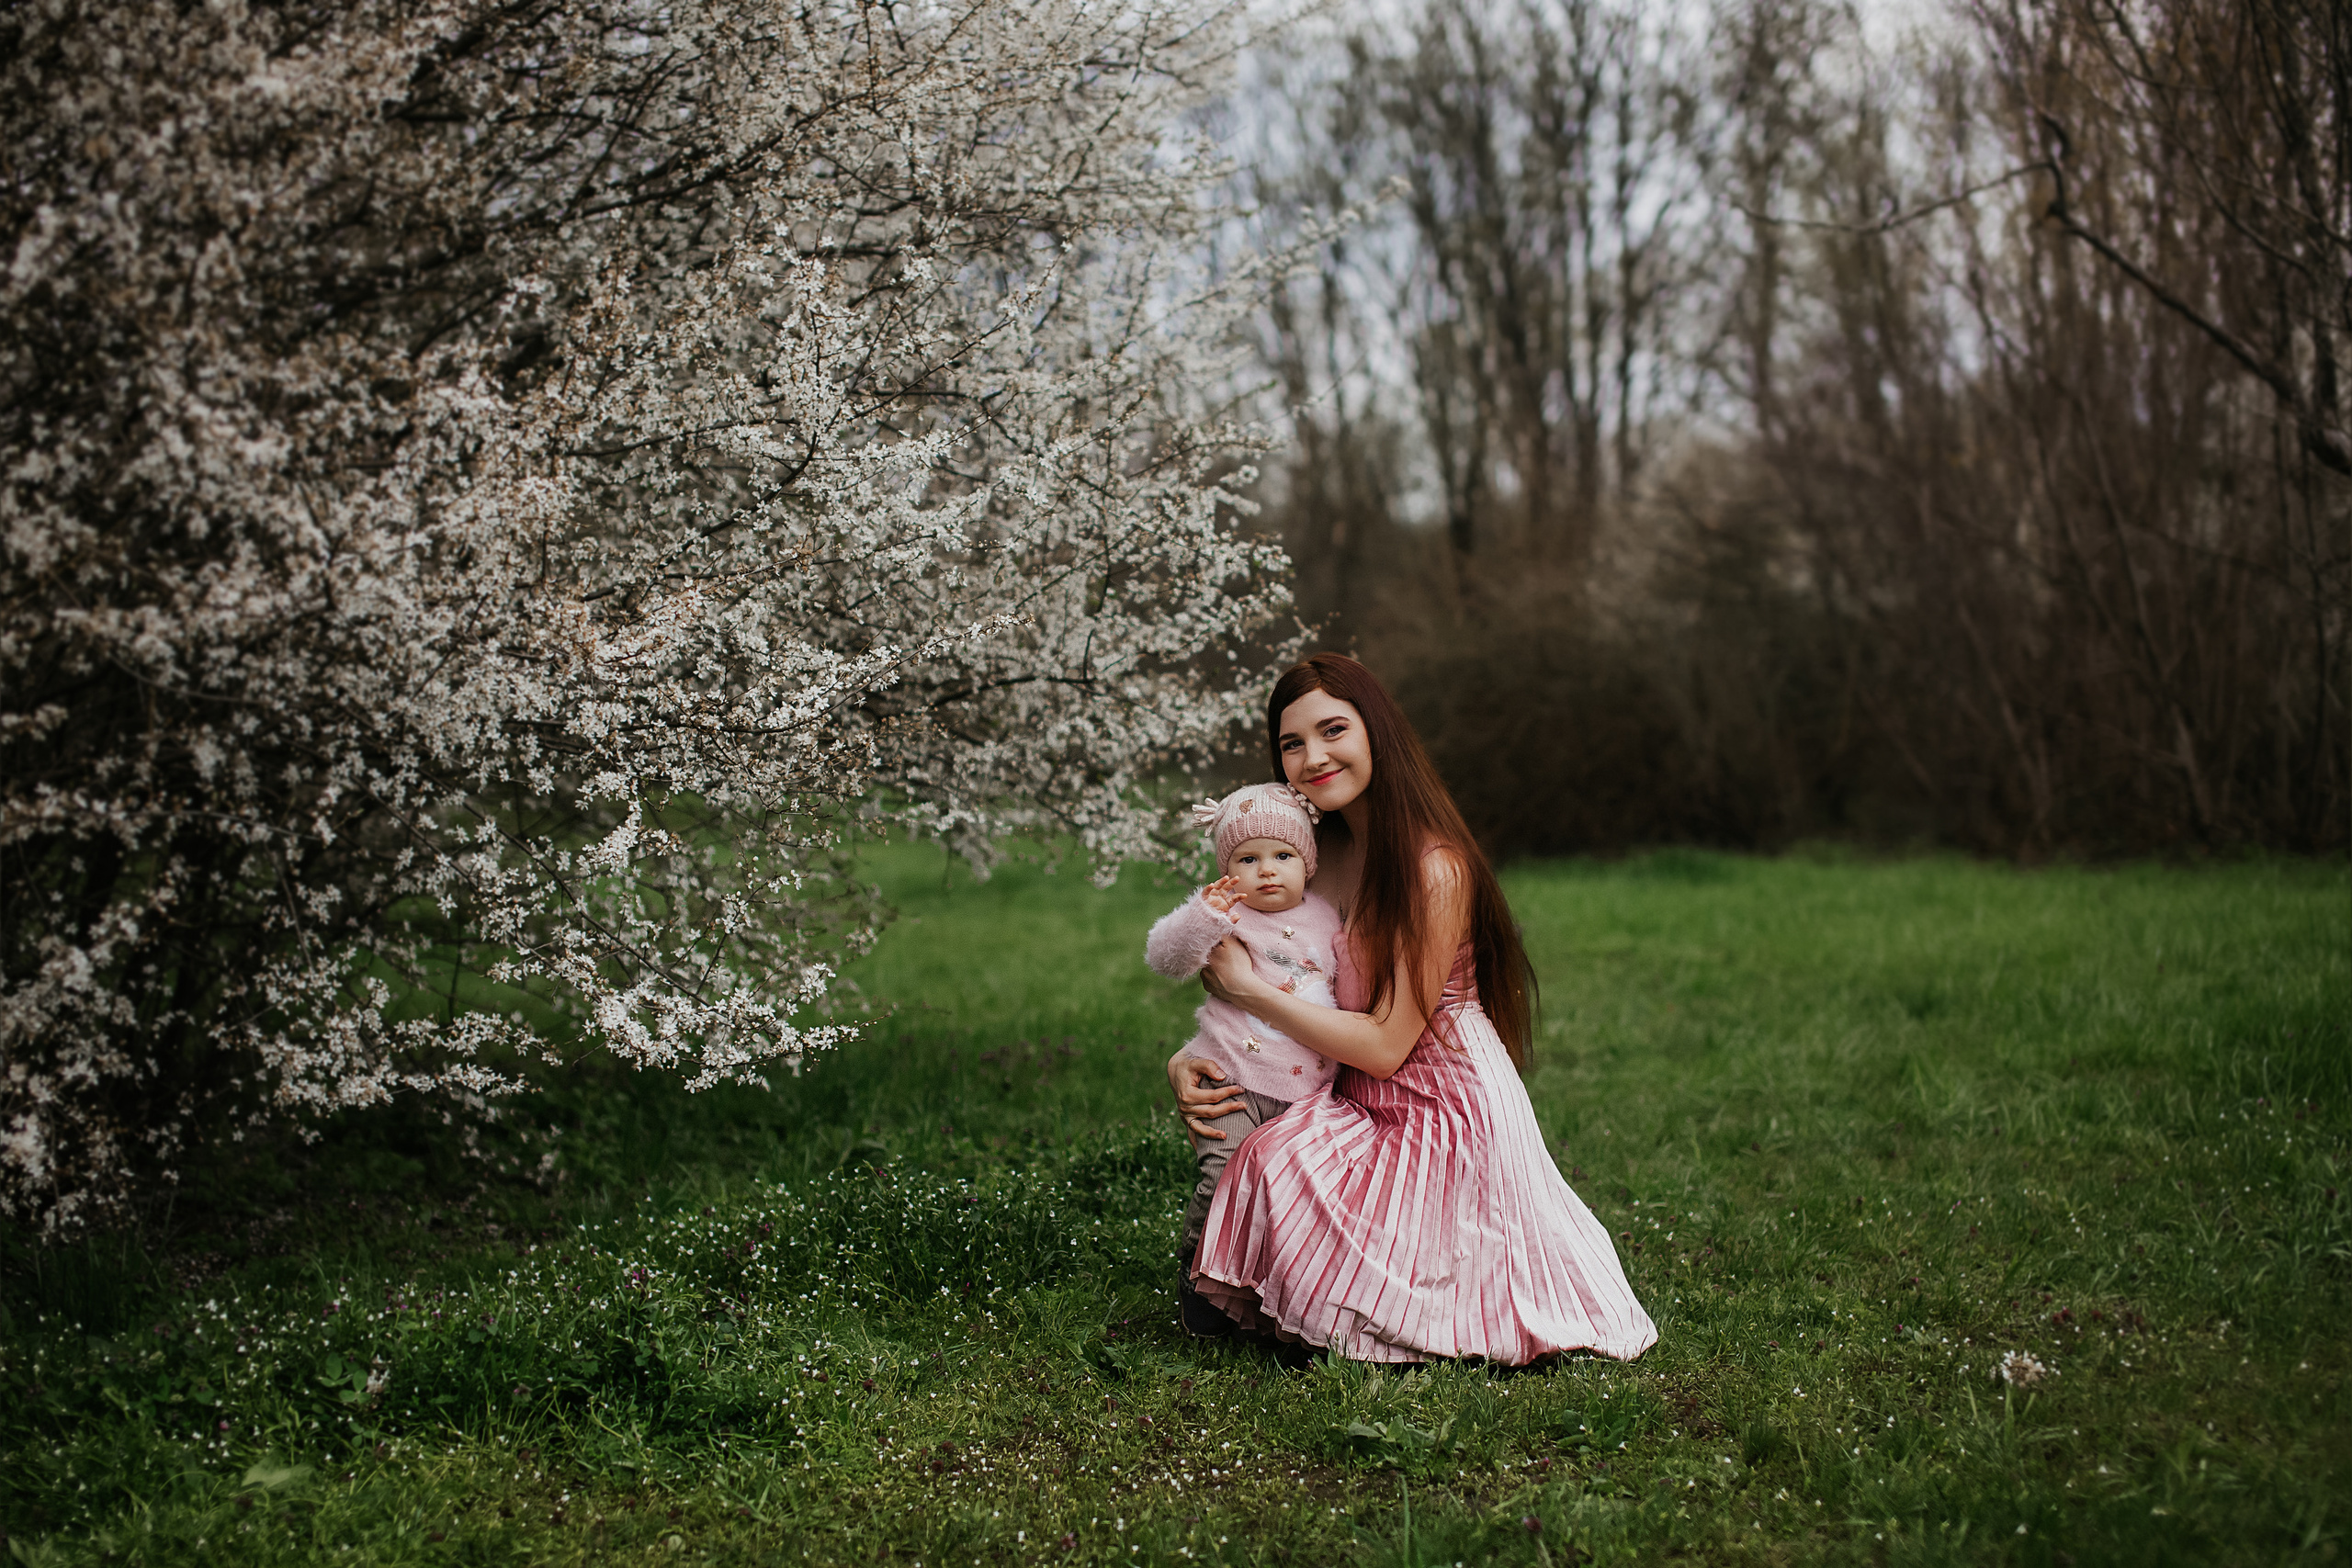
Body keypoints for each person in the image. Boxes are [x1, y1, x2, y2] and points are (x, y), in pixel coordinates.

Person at [1169, 654, 1657, 1366]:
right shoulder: (1309, 859)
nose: (1313, 757)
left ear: (1378, 731)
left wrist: (1248, 992)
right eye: (1291, 743)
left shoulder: (1435, 867)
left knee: (1337, 1208)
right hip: (1351, 1084)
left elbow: (1387, 1044)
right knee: (1266, 1152)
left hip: (1444, 1100)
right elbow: (1284, 979)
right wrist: (1189, 1053)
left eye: (1333, 729)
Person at [1143, 783, 1342, 1326]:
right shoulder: (1225, 914)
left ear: (1308, 862)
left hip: (1304, 1092)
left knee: (1282, 1191)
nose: (1267, 870)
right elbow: (1165, 959)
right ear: (1227, 868)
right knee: (1223, 1176)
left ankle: (1263, 1290)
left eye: (1283, 856)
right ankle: (1198, 1280)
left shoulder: (1328, 920)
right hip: (1228, 1076)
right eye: (1247, 859)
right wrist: (1202, 917)